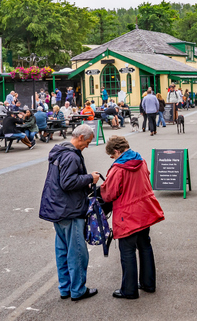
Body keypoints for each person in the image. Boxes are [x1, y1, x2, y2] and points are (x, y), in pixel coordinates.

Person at [39, 124, 100, 301]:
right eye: (87, 142)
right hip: (70, 210)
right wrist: (90, 178)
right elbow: (68, 182)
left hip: (56, 209)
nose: (87, 146)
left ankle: (65, 288)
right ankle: (78, 290)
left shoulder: (59, 151)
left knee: (62, 251)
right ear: (81, 137)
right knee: (77, 252)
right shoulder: (72, 156)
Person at [100, 136, 164, 299]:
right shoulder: (140, 160)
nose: (112, 159)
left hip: (127, 214)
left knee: (127, 251)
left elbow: (109, 194)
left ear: (116, 151)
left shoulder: (118, 168)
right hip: (144, 210)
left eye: (112, 155)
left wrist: (100, 189)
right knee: (145, 246)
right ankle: (148, 284)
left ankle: (129, 290)